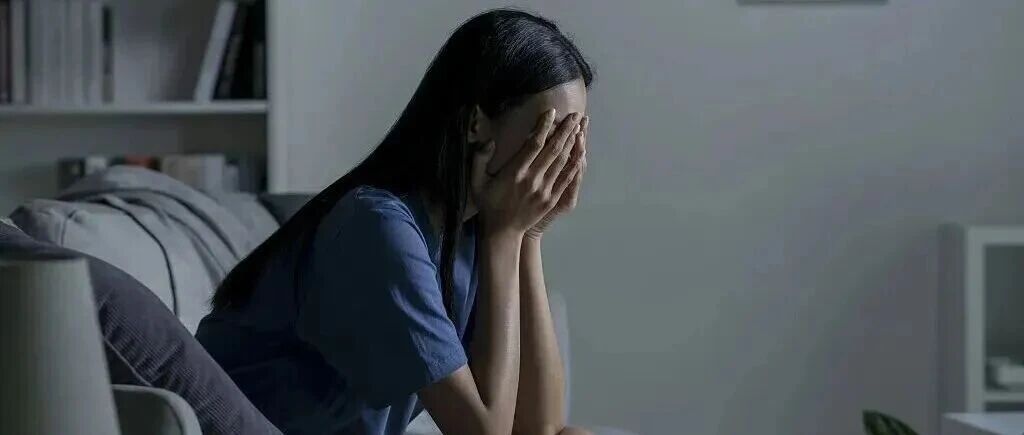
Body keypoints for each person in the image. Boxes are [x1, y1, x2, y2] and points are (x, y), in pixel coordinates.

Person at [196, 8, 594, 435]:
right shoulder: (377, 229)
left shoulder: (476, 229)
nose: (559, 159)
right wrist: (508, 235)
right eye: (548, 135)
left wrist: (530, 233)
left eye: (572, 138)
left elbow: (540, 427)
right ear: (476, 124)